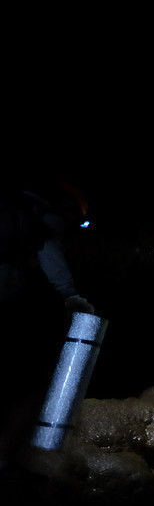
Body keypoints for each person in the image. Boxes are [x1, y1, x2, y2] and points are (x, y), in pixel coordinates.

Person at [1, 184, 95, 469]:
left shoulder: (14, 212)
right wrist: (71, 295)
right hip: (6, 304)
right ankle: (5, 458)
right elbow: (48, 250)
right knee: (30, 386)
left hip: (9, 302)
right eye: (77, 220)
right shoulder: (39, 219)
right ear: (65, 208)